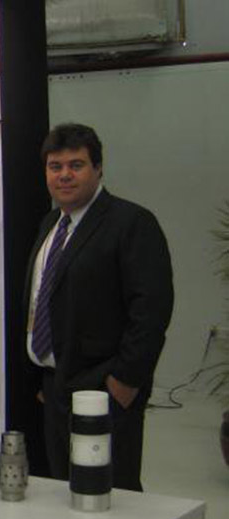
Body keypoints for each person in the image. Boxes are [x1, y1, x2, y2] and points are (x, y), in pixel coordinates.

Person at [23, 123, 174, 491]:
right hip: (55, 387)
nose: (64, 175)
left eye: (76, 165)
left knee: (110, 495)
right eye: (55, 167)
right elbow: (42, 298)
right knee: (63, 492)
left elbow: (150, 310)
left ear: (98, 168)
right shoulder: (50, 224)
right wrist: (46, 378)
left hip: (103, 389)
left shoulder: (131, 223)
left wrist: (124, 382)